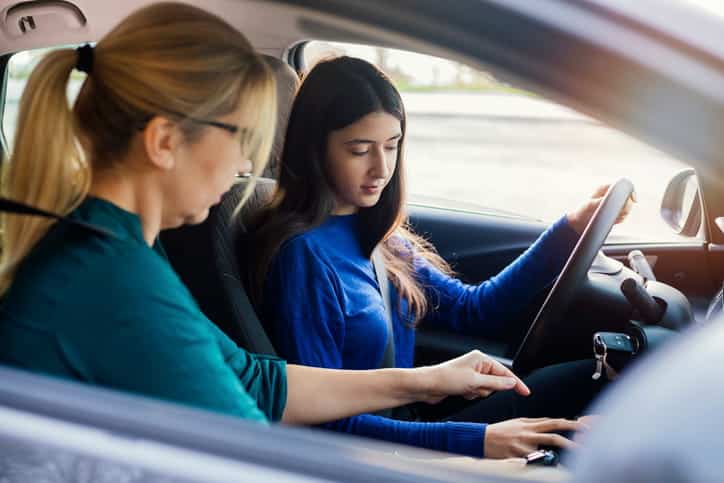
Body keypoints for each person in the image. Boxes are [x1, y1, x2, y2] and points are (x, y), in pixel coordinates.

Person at [0, 3, 530, 430]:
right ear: (164, 141)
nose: (248, 166)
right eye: (242, 140)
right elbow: (247, 448)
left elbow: (256, 381)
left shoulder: (117, 250)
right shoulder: (113, 280)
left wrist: (424, 382)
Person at [248, 56, 633, 458]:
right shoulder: (303, 258)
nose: (381, 168)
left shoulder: (380, 236)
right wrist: (476, 441)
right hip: (385, 450)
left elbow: (475, 310)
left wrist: (572, 227)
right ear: (315, 149)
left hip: (410, 425)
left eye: (392, 146)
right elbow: (321, 423)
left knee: (596, 378)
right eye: (360, 150)